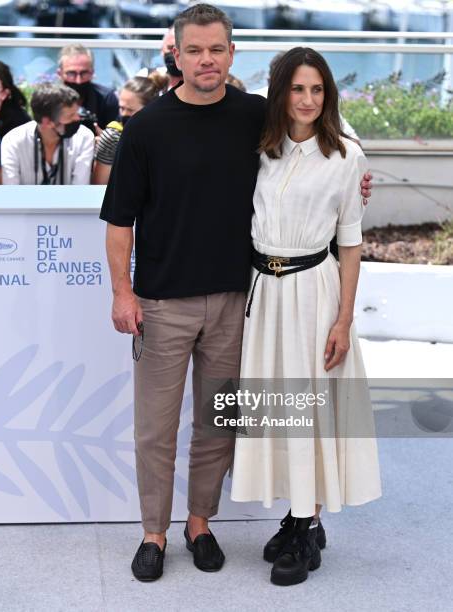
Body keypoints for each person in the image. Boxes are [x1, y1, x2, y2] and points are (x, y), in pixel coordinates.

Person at [100, 3, 372, 583]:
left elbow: (322, 134)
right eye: (194, 49)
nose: (206, 59)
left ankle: (200, 524)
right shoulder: (145, 127)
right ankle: (153, 533)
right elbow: (118, 220)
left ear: (231, 52)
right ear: (175, 53)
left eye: (216, 49)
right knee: (154, 428)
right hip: (162, 303)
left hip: (236, 301)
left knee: (218, 423)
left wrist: (357, 173)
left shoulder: (255, 118)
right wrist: (123, 295)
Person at [230, 47, 382, 587]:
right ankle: (297, 516)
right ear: (280, 92)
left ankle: (306, 523)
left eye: (317, 89)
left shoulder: (347, 156)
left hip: (313, 293)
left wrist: (343, 321)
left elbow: (350, 243)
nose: (309, 100)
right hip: (262, 293)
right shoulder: (260, 148)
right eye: (298, 89)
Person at [1, 83, 94, 185]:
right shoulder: (13, 141)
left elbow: (80, 189)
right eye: (70, 115)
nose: (77, 119)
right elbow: (11, 191)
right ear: (47, 122)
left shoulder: (84, 137)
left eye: (77, 113)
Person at [92, 73, 167, 185]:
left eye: (131, 110)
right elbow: (99, 186)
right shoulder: (113, 136)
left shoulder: (170, 134)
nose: (124, 114)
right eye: (122, 108)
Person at [57, 44, 119, 130]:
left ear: (92, 73)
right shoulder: (50, 100)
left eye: (84, 73)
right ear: (60, 74)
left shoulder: (107, 99)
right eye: (71, 73)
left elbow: (117, 138)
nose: (78, 81)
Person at [138, 27, 182, 91]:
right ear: (162, 50)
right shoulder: (145, 78)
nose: (175, 53)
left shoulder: (199, 86)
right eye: (170, 48)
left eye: (180, 49)